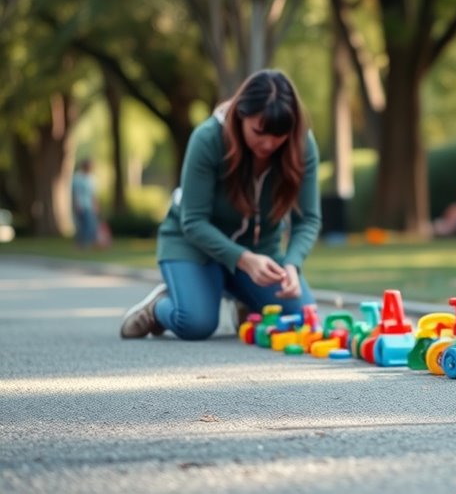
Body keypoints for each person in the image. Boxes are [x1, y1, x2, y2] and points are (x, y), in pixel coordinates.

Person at [120, 69, 321, 340]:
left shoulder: (301, 145)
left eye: (279, 135)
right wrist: (243, 260)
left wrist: (291, 265)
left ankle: (244, 301)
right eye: (259, 131)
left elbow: (308, 219)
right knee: (196, 323)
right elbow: (192, 221)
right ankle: (157, 308)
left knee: (301, 319)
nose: (269, 143)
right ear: (240, 115)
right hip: (192, 244)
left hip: (259, 251)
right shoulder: (208, 139)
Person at [71, 158, 99, 249]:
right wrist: (77, 205)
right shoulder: (78, 177)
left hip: (90, 205)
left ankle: (89, 243)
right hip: (82, 205)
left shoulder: (91, 178)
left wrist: (96, 205)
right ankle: (81, 244)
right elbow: (76, 193)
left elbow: (93, 194)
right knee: (83, 226)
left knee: (91, 225)